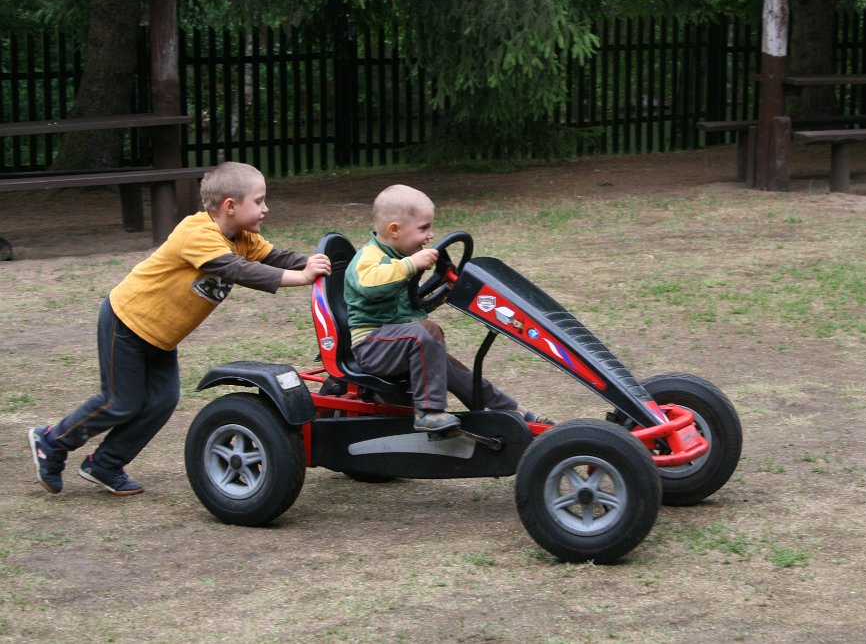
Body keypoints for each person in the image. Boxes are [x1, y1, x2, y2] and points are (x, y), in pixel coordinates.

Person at [28, 161, 331, 496]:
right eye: (258, 201)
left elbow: (276, 257)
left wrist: (313, 263)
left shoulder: (244, 238)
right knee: (120, 402)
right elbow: (238, 271)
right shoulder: (197, 234)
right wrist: (300, 277)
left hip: (161, 336)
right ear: (230, 206)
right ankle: (50, 442)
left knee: (162, 401)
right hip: (127, 321)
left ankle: (105, 463)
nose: (265, 208)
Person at [345, 184, 553, 432]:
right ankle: (428, 412)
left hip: (396, 341)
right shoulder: (369, 258)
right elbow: (371, 286)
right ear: (394, 230)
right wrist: (411, 265)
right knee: (425, 333)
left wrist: (442, 292)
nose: (431, 235)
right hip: (371, 346)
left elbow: (415, 303)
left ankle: (512, 412)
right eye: (423, 228)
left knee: (455, 369)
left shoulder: (399, 260)